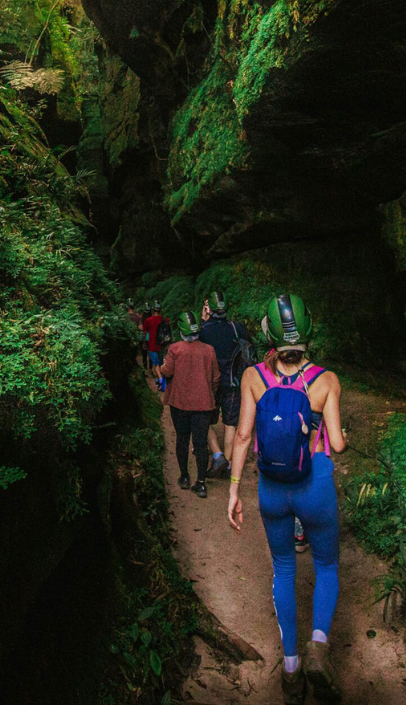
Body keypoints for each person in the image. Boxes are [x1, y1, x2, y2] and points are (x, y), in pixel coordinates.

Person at [225, 294, 347, 704]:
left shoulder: (252, 377)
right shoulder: (327, 380)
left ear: (269, 336)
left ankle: (291, 669)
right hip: (314, 486)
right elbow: (340, 444)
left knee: (283, 570)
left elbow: (243, 435)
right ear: (308, 331)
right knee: (326, 565)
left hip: (271, 489)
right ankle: (318, 646)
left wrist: (234, 488)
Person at [158, 311, 220, 498]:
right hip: (203, 404)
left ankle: (184, 477)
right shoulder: (209, 350)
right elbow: (216, 378)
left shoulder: (175, 349)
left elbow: (167, 372)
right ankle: (200, 483)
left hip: (179, 403)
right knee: (201, 443)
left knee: (182, 439)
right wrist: (210, 392)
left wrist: (160, 367)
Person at [199, 290, 253, 477]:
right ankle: (228, 464)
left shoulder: (203, 331)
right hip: (233, 382)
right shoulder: (237, 328)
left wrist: (203, 320)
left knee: (204, 419)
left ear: (210, 308)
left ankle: (217, 455)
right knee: (230, 423)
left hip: (209, 384)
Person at [140, 301, 168, 385]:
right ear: (160, 309)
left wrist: (144, 343)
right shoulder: (164, 319)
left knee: (155, 366)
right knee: (159, 364)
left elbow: (144, 333)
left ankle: (162, 382)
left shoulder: (148, 320)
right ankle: (158, 381)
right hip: (161, 345)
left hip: (152, 346)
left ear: (152, 309)